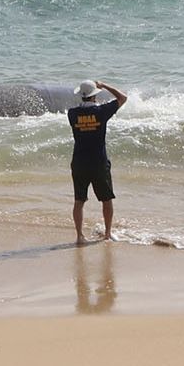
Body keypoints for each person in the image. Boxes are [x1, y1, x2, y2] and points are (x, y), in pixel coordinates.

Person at [67, 79, 129, 244]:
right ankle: (108, 234)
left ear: (81, 96)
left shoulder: (72, 114)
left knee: (79, 201)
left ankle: (80, 236)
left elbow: (83, 115)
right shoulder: (102, 112)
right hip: (99, 162)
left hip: (79, 162)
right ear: (95, 96)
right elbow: (123, 98)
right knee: (106, 200)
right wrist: (105, 85)